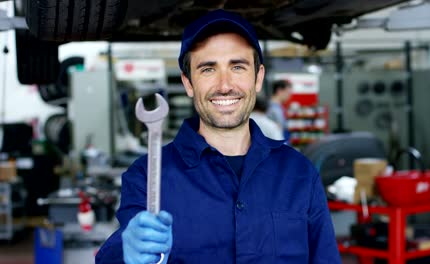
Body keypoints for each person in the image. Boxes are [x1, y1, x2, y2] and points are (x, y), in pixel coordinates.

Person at [96, 9, 340, 264]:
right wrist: (124, 254)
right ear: (188, 83)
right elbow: (115, 253)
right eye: (208, 69)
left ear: (258, 78)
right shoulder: (147, 176)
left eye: (237, 67)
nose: (225, 85)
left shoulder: (299, 173)